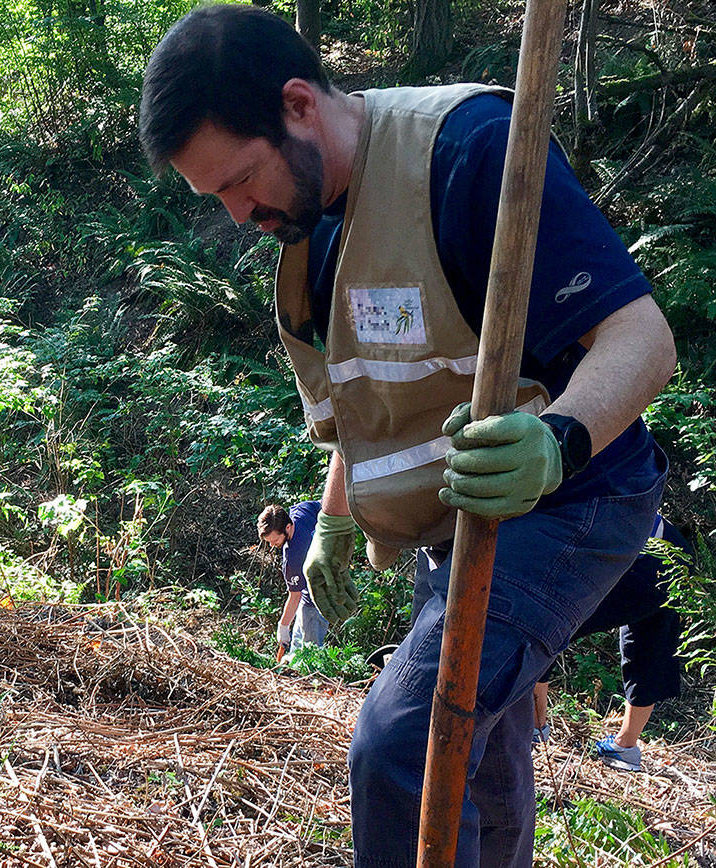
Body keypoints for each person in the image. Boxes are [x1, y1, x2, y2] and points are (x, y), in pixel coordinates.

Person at [140, 7, 675, 867]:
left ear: (299, 106)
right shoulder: (306, 241)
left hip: (571, 499)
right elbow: (369, 410)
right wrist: (339, 522)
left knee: (400, 747)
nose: (238, 212)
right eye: (216, 197)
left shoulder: (468, 153)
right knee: (479, 759)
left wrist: (557, 441)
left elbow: (643, 338)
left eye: (239, 180)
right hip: (451, 528)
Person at [532, 514, 692, 773]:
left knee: (544, 627)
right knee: (648, 641)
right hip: (672, 547)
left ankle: (534, 733)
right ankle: (625, 748)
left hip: (643, 554)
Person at [257, 502, 329, 653]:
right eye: (269, 542)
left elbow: (294, 596)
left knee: (310, 654)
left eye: (274, 540)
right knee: (297, 651)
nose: (272, 545)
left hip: (317, 598)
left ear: (287, 527)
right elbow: (325, 506)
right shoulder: (301, 510)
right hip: (311, 590)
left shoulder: (293, 556)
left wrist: (283, 626)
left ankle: (309, 675)